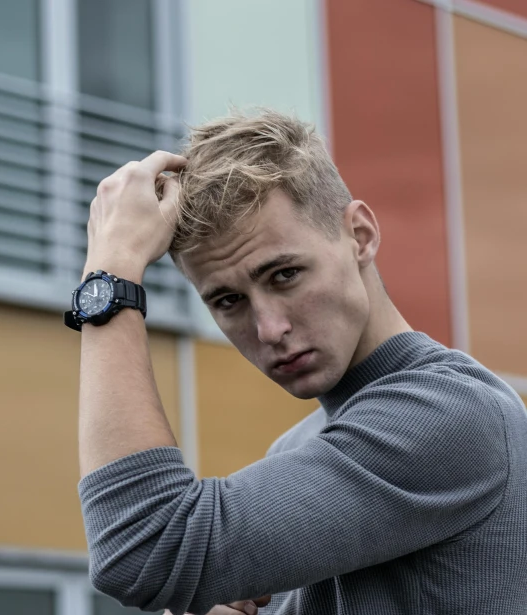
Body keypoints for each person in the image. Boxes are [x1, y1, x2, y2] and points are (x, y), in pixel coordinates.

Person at [70, 109, 527, 614]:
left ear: (360, 235)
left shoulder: (453, 414)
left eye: (284, 275)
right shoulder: (298, 447)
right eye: (227, 301)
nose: (269, 329)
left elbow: (143, 547)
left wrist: (109, 275)